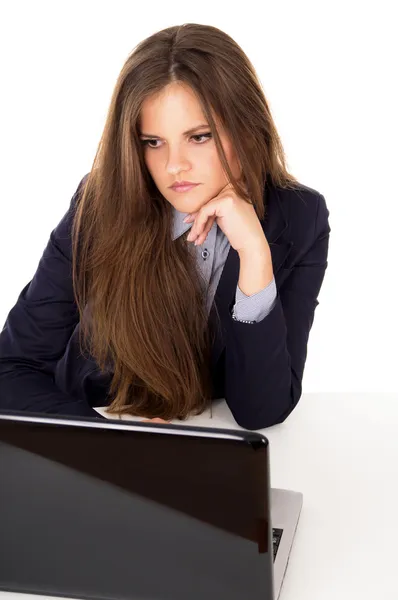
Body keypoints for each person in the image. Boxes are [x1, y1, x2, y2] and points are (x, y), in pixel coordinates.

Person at [0, 23, 330, 430]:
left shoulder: (299, 216)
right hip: (96, 449)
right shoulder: (99, 206)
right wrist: (112, 442)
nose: (174, 166)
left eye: (199, 136)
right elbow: (12, 368)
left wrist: (255, 256)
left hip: (213, 454)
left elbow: (262, 410)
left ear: (247, 128)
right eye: (152, 142)